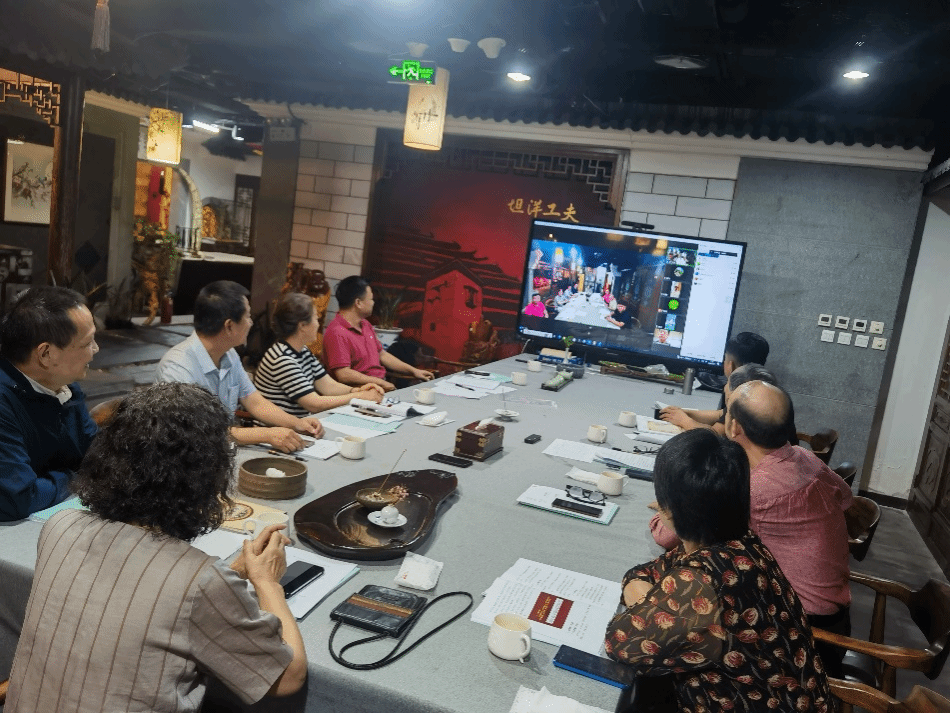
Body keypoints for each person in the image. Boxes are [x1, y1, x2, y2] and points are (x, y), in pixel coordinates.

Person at [5, 383, 307, 712]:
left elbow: (133, 594)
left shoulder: (60, 526)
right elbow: (286, 677)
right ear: (208, 477)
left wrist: (229, 575)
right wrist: (266, 581)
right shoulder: (200, 582)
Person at [606, 429, 834, 713]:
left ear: (667, 512)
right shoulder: (738, 541)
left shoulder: (701, 580)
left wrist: (646, 604)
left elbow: (621, 643)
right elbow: (645, 570)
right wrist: (649, 601)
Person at [156, 280, 323, 452]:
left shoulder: (229, 354)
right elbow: (199, 434)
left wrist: (297, 423)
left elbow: (255, 402)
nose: (251, 323)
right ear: (229, 326)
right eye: (248, 317)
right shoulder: (178, 368)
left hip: (222, 452)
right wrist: (267, 434)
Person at [0, 286, 98, 521]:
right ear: (45, 354)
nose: (96, 349)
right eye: (87, 343)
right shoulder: (4, 401)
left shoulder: (64, 386)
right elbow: (19, 497)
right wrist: (73, 477)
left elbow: (95, 455)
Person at [254, 292, 385, 417]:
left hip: (300, 424)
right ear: (302, 326)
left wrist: (357, 390)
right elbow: (314, 404)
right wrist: (359, 396)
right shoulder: (282, 359)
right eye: (316, 319)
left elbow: (328, 385)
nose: (318, 324)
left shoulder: (302, 350)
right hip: (280, 429)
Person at [323, 275, 433, 392]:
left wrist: (414, 371)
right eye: (371, 299)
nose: (373, 303)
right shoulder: (337, 332)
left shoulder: (365, 324)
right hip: (360, 392)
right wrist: (380, 382)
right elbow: (343, 374)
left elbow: (382, 355)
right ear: (358, 303)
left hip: (379, 386)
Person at [659, 331, 769, 433]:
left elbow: (715, 433)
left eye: (725, 359)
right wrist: (686, 413)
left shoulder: (741, 396)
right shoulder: (759, 388)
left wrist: (684, 421)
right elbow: (720, 414)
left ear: (730, 366)